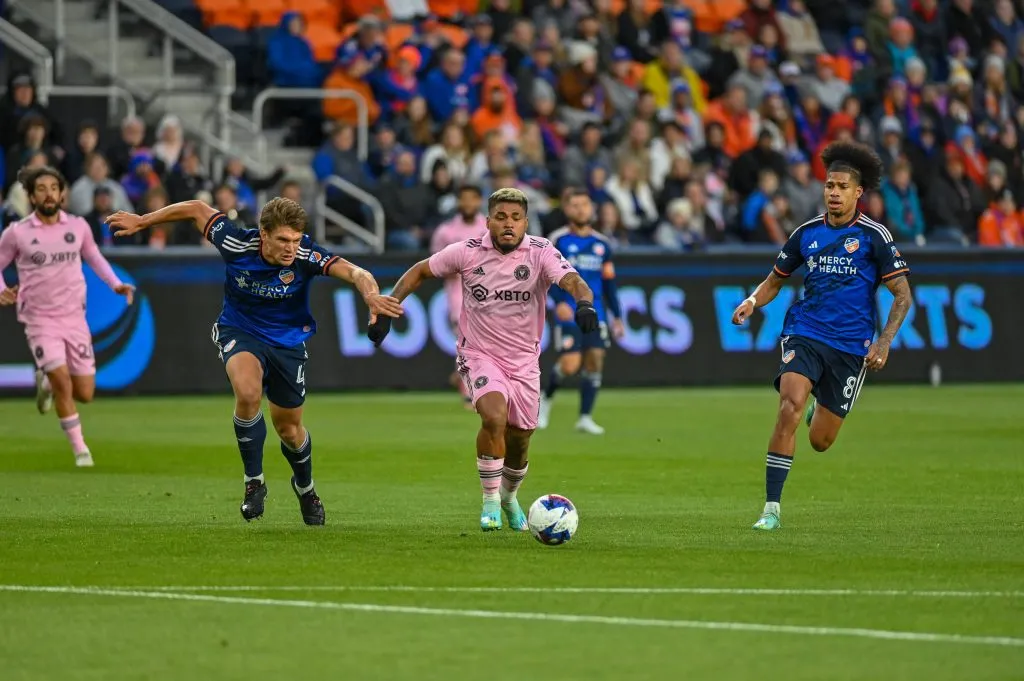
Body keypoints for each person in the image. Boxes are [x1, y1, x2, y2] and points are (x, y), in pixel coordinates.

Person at [107, 198, 402, 525]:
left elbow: (357, 273)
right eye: (282, 240)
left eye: (295, 239)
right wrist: (143, 220)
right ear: (263, 234)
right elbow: (195, 208)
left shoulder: (305, 254)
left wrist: (370, 295)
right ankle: (254, 483)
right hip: (240, 329)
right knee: (247, 393)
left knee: (289, 429)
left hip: (288, 341)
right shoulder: (235, 242)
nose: (291, 248)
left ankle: (305, 488)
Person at [368, 188, 597, 531]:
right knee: (493, 417)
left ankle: (508, 497)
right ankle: (489, 502)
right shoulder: (467, 252)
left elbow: (574, 280)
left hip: (524, 361)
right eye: (501, 217)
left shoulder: (540, 252)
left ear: (525, 222)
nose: (509, 224)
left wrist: (584, 304)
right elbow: (420, 271)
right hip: (479, 353)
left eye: (516, 218)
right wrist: (389, 308)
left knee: (520, 439)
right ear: (488, 220)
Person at [731, 141, 913, 531]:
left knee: (821, 441)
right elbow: (775, 280)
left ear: (857, 193)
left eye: (842, 187)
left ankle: (821, 408)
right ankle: (771, 509)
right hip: (805, 332)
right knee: (788, 407)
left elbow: (902, 294)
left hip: (851, 346)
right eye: (829, 185)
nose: (833, 192)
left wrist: (884, 342)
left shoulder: (874, 236)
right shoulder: (806, 233)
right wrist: (751, 301)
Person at [0, 166, 135, 467]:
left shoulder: (77, 227)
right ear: (31, 196)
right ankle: (80, 449)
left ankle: (45, 381)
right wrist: (2, 289)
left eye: (53, 188)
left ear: (62, 194)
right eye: (41, 189)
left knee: (85, 392)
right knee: (63, 382)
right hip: (39, 320)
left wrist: (115, 283)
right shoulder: (18, 233)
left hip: (75, 318)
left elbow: (95, 257)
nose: (48, 194)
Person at [538, 189, 623, 434]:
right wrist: (558, 302)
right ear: (567, 210)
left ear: (592, 209)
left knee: (595, 360)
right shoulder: (558, 240)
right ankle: (544, 403)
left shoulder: (602, 244)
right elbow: (545, 276)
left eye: (584, 205)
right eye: (575, 205)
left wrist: (617, 316)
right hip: (569, 311)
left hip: (597, 314)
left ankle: (585, 417)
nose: (580, 210)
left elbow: (609, 283)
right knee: (569, 365)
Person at [429, 184, 488, 408]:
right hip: (458, 294)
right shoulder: (446, 232)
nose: (468, 204)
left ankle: (462, 376)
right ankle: (467, 389)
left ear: (479, 201)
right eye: (464, 199)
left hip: (487, 295)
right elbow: (435, 263)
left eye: (472, 199)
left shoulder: (489, 227)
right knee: (466, 340)